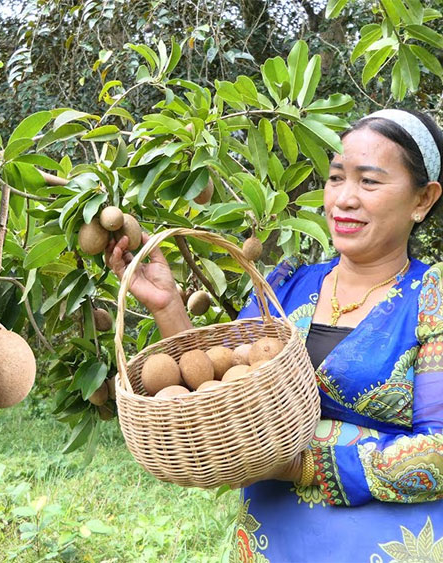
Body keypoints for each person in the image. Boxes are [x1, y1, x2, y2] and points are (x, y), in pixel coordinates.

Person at [106, 108, 443, 561]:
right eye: (337, 178)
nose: (344, 198)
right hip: (269, 544)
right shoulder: (286, 285)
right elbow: (216, 384)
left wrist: (305, 465)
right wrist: (167, 304)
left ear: (422, 200)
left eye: (369, 182)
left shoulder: (433, 299)